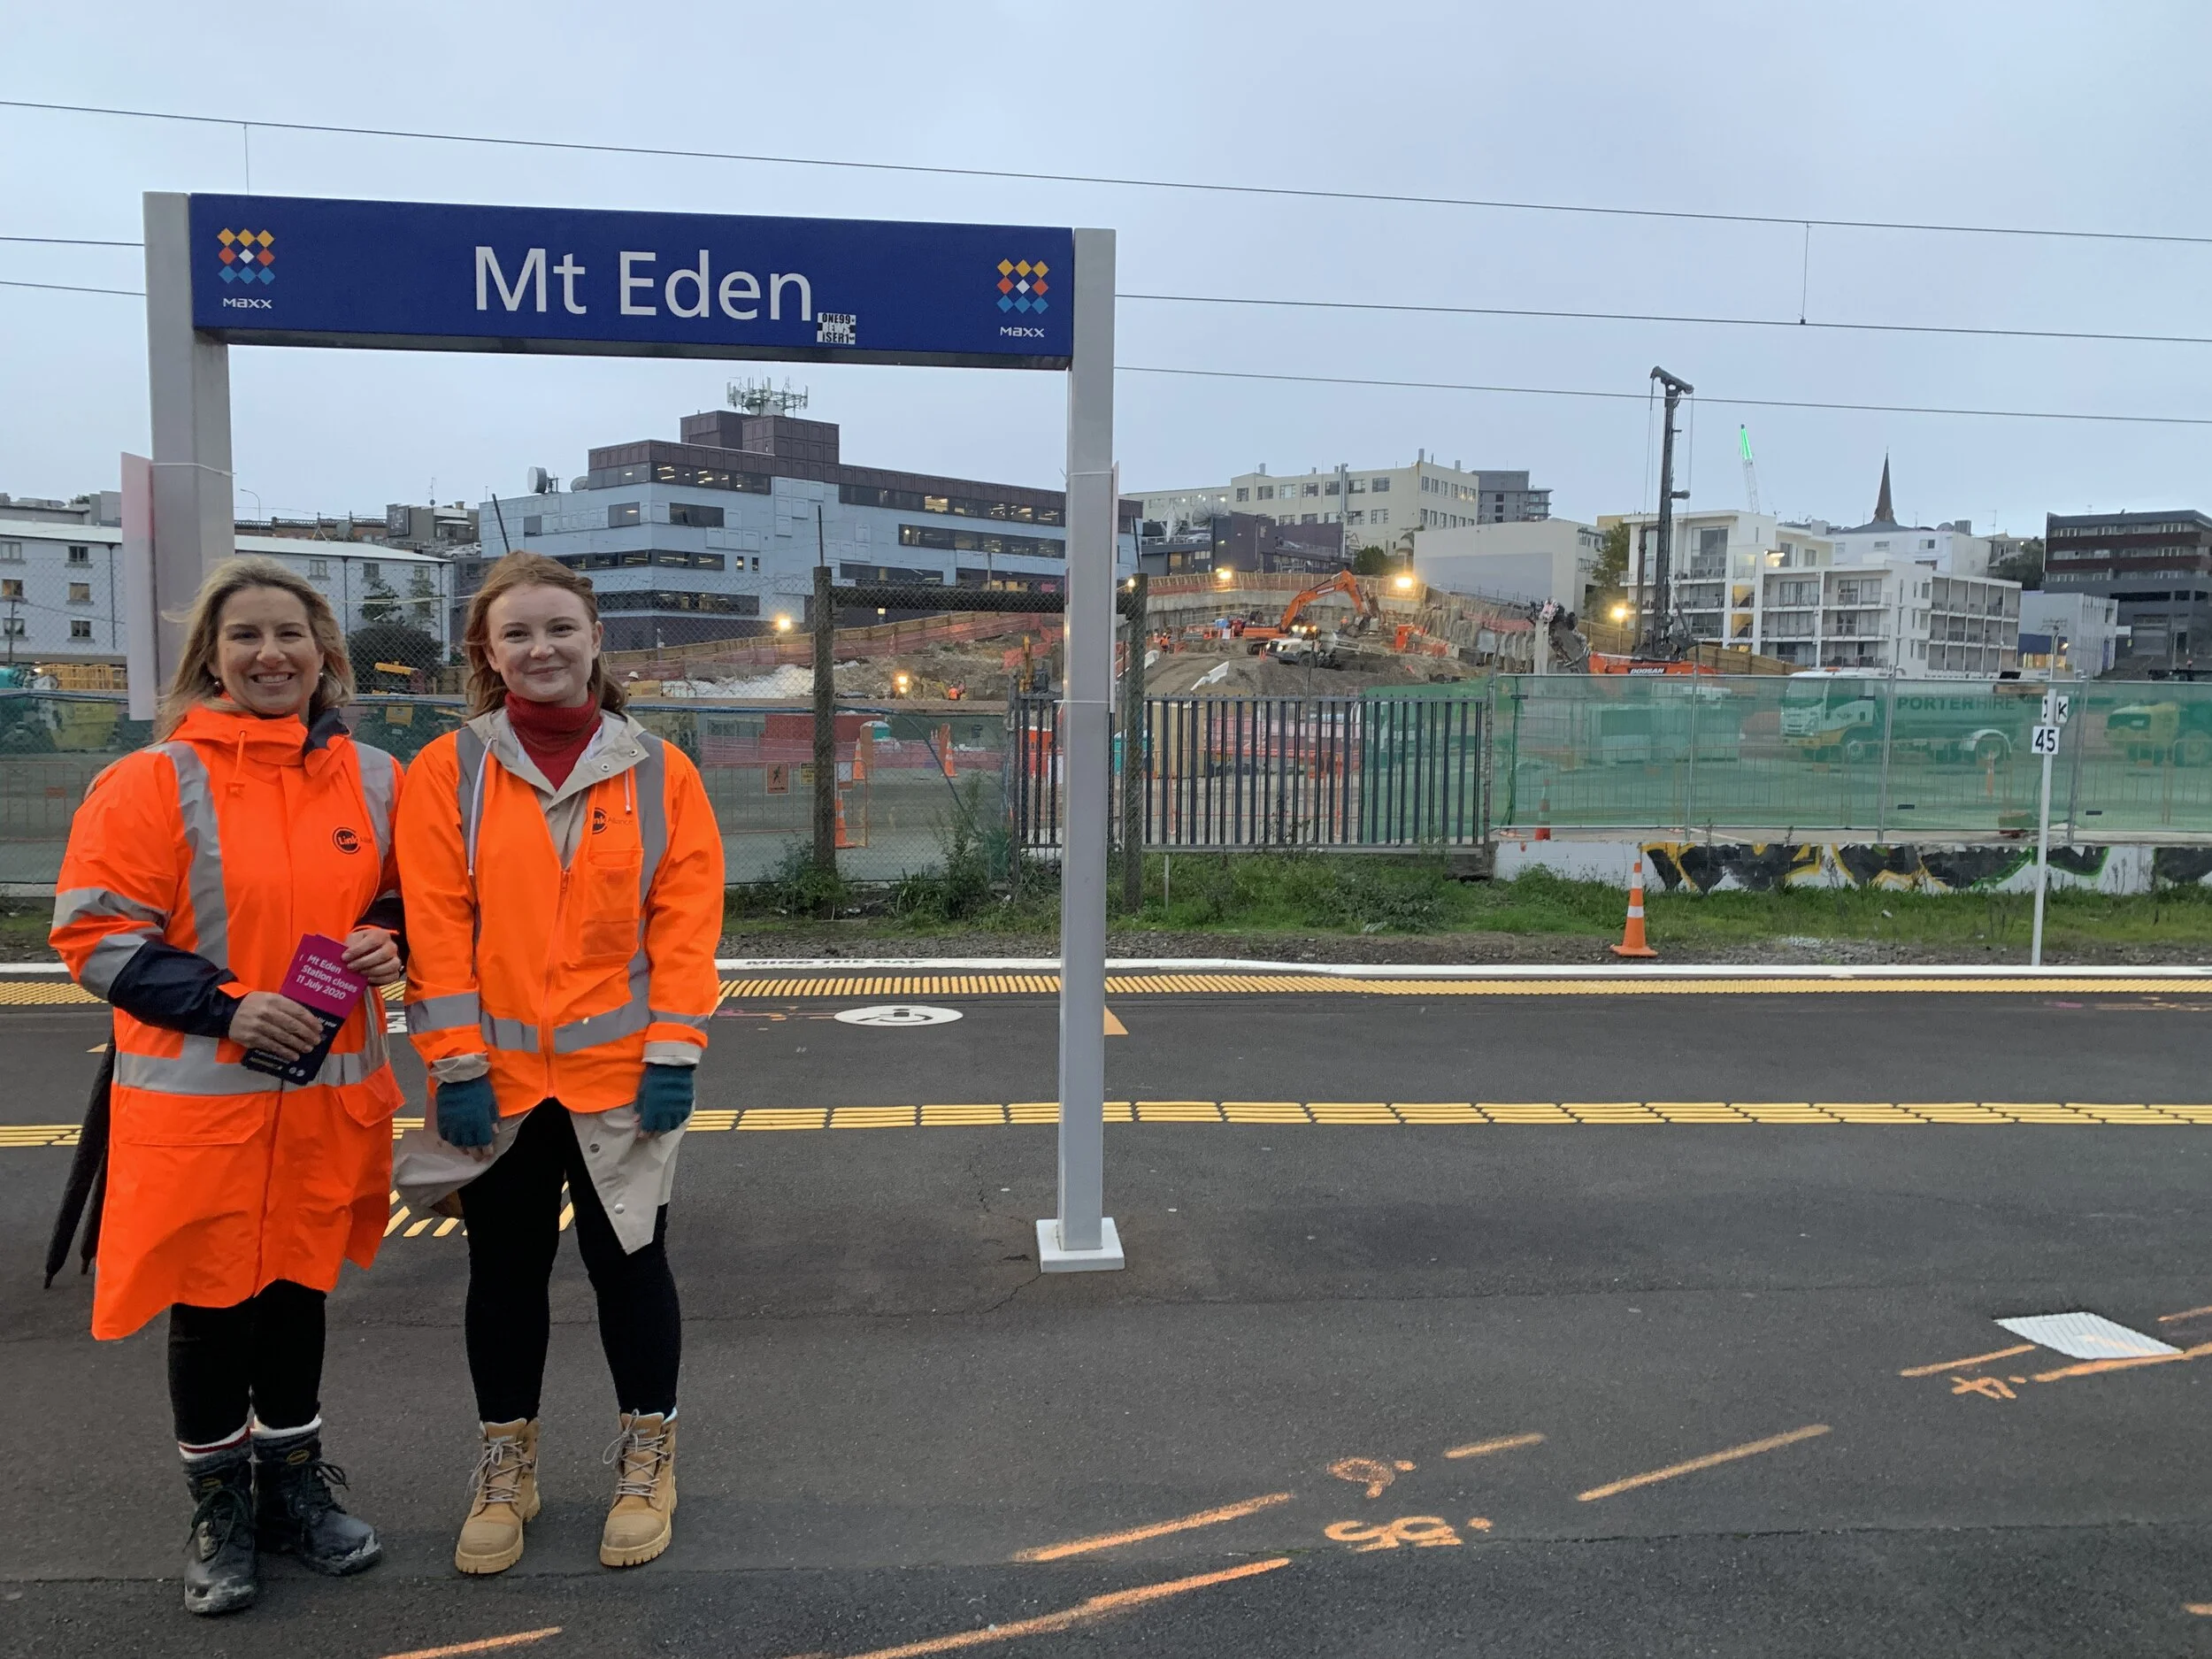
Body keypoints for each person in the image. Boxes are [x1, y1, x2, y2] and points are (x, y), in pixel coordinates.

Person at [50, 557, 404, 1617]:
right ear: (212, 656)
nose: (269, 655)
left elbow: (411, 900)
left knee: (297, 1296)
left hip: (325, 1103)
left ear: (323, 654)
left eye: (289, 635)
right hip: (199, 1111)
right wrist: (229, 1004)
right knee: (210, 1309)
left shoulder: (378, 780)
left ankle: (294, 1490)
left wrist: (395, 939)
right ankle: (221, 1510)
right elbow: (94, 936)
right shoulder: (153, 780)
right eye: (245, 636)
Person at [394, 552, 722, 1576]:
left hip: (623, 1080)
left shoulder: (660, 772)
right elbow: (436, 929)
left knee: (632, 1269)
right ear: (488, 655)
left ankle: (647, 1460)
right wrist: (453, 1065)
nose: (542, 649)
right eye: (519, 634)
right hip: (498, 1083)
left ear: (596, 642)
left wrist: (674, 1052)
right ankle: (508, 1468)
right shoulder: (448, 772)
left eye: (560, 629)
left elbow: (684, 926)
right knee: (504, 1273)